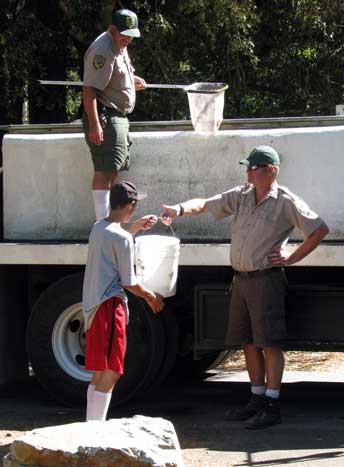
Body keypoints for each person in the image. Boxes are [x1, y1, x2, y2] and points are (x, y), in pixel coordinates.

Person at [161, 145, 329, 429]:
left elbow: (319, 228)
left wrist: (293, 257)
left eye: (253, 167)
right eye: (247, 168)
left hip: (266, 281)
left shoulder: (285, 201)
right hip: (240, 280)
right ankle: (256, 399)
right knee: (248, 343)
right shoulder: (241, 196)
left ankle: (272, 405)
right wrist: (178, 209)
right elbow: (205, 204)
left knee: (269, 344)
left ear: (270, 170)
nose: (248, 172)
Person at [83, 180, 164, 421]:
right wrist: (151, 297)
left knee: (99, 369)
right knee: (112, 370)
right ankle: (95, 431)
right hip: (110, 306)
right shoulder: (121, 238)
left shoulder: (99, 227)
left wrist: (136, 227)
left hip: (94, 306)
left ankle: (89, 426)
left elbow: (115, 240)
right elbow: (129, 282)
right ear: (131, 204)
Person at [82, 9, 147, 221]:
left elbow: (115, 74)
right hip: (105, 115)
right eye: (124, 34)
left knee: (112, 169)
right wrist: (94, 124)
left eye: (131, 35)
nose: (128, 38)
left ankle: (107, 223)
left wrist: (131, 79)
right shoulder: (103, 50)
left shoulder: (119, 45)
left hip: (117, 116)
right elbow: (89, 89)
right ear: (112, 29)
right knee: (104, 170)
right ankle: (103, 225)